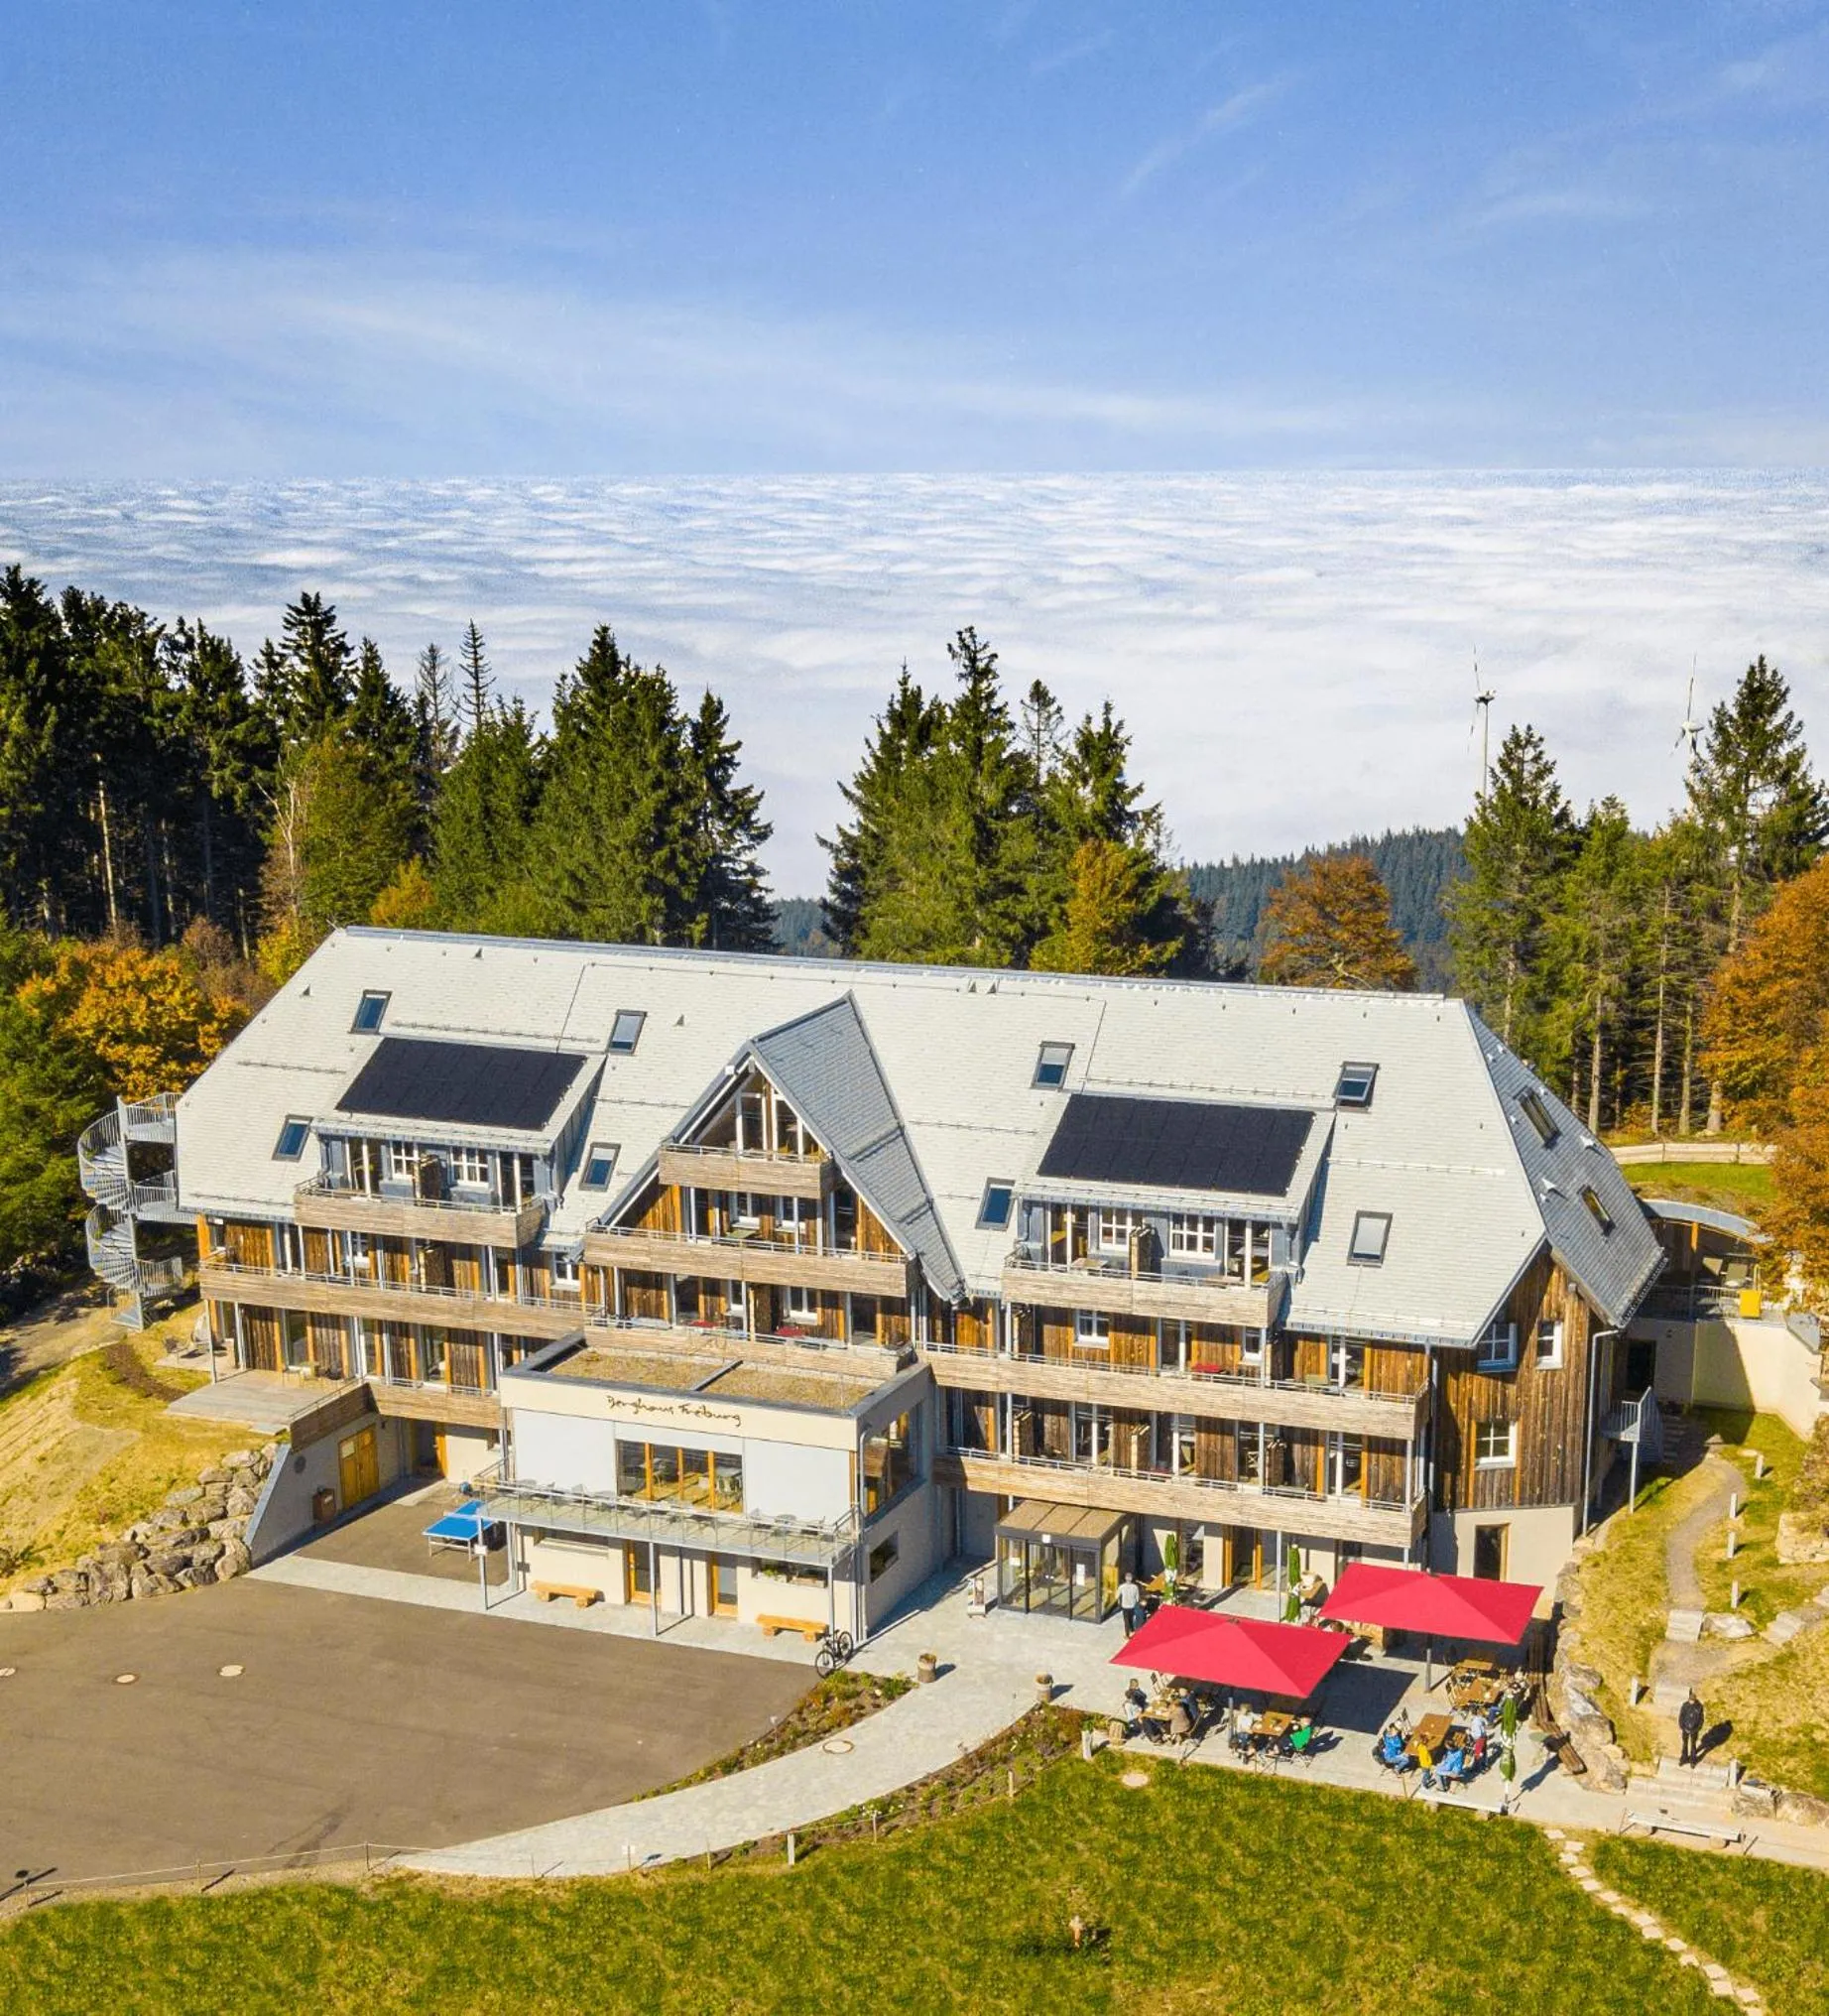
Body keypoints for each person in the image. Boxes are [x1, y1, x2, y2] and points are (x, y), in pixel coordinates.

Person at [1678, 1688, 1706, 1768]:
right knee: (1685, 1744)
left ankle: (1693, 1761)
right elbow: (1681, 1717)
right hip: (1685, 1729)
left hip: (1694, 1730)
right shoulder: (1685, 1705)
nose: (1691, 1701)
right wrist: (1682, 1727)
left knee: (1693, 1745)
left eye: (1693, 1700)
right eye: (1690, 1700)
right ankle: (1684, 1758)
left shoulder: (1699, 1707)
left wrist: (1697, 1729)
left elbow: (1701, 1719)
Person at [1117, 1572, 1143, 1637]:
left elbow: (1117, 1596)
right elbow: (1137, 1598)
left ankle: (1127, 1635)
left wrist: (1119, 1601)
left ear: (1125, 1578)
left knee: (1126, 1621)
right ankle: (1132, 1629)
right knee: (1130, 1618)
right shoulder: (1135, 1587)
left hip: (1125, 1606)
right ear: (1131, 1578)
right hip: (1132, 1605)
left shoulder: (1121, 1587)